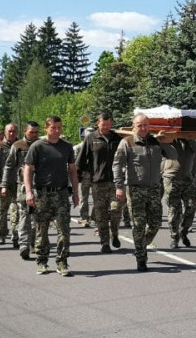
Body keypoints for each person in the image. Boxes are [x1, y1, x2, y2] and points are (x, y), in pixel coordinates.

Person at [114, 114, 178, 270]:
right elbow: (117, 165)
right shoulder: (127, 142)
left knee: (155, 223)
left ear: (149, 126)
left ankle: (143, 243)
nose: (142, 128)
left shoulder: (156, 142)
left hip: (154, 188)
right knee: (138, 224)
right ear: (133, 126)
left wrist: (164, 142)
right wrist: (119, 186)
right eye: (139, 125)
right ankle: (141, 257)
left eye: (145, 125)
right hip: (135, 188)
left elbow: (173, 156)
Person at [23, 116, 79, 276]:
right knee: (42, 229)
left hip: (61, 193)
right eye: (53, 128)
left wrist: (76, 193)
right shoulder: (37, 146)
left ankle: (62, 262)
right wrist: (29, 192)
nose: (57, 131)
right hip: (42, 194)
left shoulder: (66, 147)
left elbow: (72, 171)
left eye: (59, 128)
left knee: (64, 230)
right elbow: (28, 170)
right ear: (47, 128)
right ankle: (41, 261)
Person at [76, 112, 124, 254]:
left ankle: (114, 233)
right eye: (103, 125)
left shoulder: (117, 138)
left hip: (116, 181)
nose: (106, 127)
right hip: (98, 182)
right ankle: (104, 242)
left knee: (116, 210)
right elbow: (81, 159)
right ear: (98, 124)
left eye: (108, 125)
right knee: (101, 214)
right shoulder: (91, 138)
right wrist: (78, 177)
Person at [2, 121, 40, 259]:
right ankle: (24, 244)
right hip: (22, 187)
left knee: (37, 217)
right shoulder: (17, 146)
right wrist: (5, 185)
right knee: (24, 215)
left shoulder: (41, 145)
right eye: (31, 132)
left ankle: (34, 243)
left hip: (39, 186)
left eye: (37, 132)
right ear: (25, 131)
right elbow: (8, 166)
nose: (34, 135)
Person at [163, 137, 196, 248]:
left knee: (191, 207)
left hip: (188, 179)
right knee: (174, 210)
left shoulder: (191, 142)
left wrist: (189, 138)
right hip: (172, 179)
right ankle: (175, 237)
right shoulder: (170, 140)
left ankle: (183, 231)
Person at [0, 123, 19, 246]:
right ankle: (2, 234)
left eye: (14, 131)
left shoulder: (20, 145)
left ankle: (16, 235)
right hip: (2, 184)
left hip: (17, 184)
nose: (11, 134)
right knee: (2, 211)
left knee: (17, 211)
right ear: (5, 133)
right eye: (9, 131)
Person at [74, 134, 94, 227]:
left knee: (98, 198)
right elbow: (74, 162)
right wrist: (77, 174)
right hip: (83, 175)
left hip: (95, 176)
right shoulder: (78, 147)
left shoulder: (96, 145)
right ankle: (84, 218)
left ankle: (94, 217)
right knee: (83, 198)